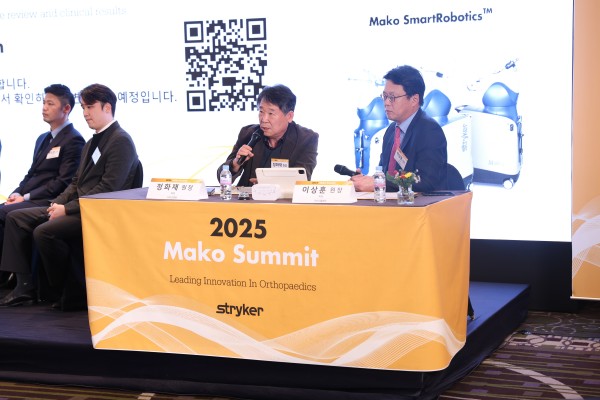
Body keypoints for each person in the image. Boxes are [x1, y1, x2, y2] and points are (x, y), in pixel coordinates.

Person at [0, 83, 140, 310]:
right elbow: (75, 183)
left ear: (107, 108)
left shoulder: (120, 140)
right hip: (80, 207)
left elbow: (108, 188)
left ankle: (69, 291)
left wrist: (67, 209)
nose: (85, 113)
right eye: (83, 107)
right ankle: (24, 287)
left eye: (90, 107)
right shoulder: (93, 141)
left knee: (44, 232)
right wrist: (58, 203)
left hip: (99, 211)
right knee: (16, 218)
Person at [0, 84, 85, 290]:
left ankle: (22, 283)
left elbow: (63, 181)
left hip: (50, 200)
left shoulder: (74, 140)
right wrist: (16, 192)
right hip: (31, 198)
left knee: (5, 214)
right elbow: (31, 173)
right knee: (3, 210)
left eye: (50, 104)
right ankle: (7, 277)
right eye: (44, 102)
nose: (44, 108)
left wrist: (26, 197)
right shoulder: (43, 138)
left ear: (66, 109)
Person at [351, 65, 447, 192]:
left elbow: (426, 181)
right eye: (385, 96)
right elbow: (386, 175)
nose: (386, 102)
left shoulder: (429, 131)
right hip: (391, 202)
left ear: (414, 99)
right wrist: (365, 181)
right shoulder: (391, 131)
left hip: (416, 203)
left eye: (392, 97)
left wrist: (379, 184)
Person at [217, 84, 319, 187]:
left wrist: (266, 183)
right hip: (248, 196)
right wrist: (235, 164)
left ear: (289, 116)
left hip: (283, 197)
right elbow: (221, 176)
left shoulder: (307, 139)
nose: (264, 119)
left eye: (271, 113)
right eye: (261, 111)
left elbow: (302, 180)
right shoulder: (248, 133)